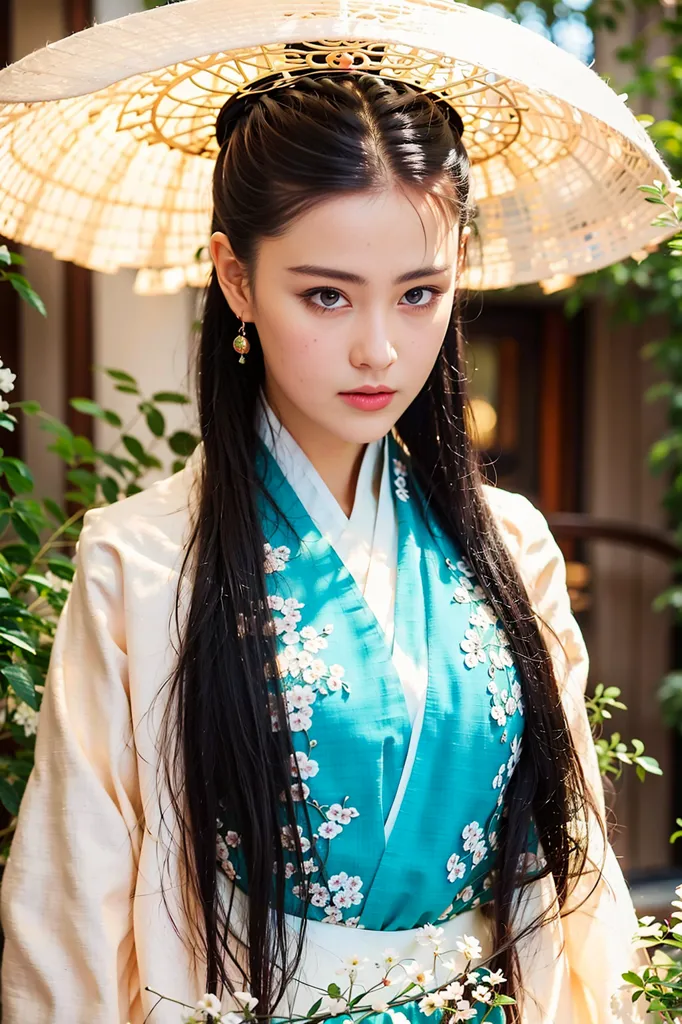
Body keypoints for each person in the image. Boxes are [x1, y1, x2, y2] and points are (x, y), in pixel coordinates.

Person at [0, 71, 651, 1024]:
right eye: (327, 297)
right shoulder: (138, 563)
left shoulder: (513, 550)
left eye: (419, 292)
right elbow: (74, 910)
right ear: (235, 277)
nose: (380, 350)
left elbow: (572, 879)